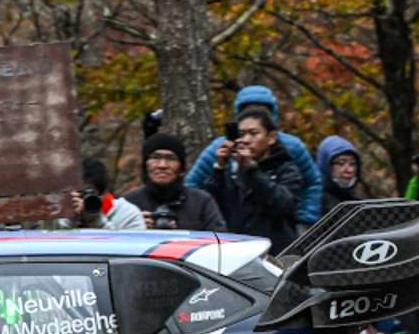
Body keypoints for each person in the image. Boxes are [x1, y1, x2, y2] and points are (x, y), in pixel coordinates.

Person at [184, 85, 323, 227]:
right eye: (248, 110)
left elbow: (312, 182)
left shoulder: (292, 147)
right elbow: (193, 185)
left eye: (262, 110)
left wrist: (305, 220)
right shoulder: (220, 148)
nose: (247, 140)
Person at [200, 109, 301, 251]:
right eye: (241, 135)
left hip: (276, 252)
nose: (246, 140)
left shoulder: (286, 170)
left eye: (254, 133)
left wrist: (253, 171)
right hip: (238, 250)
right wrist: (219, 168)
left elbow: (282, 206)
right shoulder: (233, 171)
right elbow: (214, 205)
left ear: (271, 138)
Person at [125, 133, 226, 232]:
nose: (162, 165)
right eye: (155, 158)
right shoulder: (129, 203)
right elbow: (113, 241)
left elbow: (219, 242)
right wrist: (135, 228)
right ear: (145, 165)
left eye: (170, 158)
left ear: (181, 167)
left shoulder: (202, 202)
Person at [64, 158, 146, 230]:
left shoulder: (128, 215)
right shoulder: (58, 213)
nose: (80, 200)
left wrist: (95, 219)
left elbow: (128, 246)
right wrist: (69, 218)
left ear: (103, 194)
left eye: (85, 192)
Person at [315, 135, 365, 216]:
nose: (349, 170)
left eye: (353, 164)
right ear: (326, 166)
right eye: (341, 163)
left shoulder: (354, 201)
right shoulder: (314, 203)